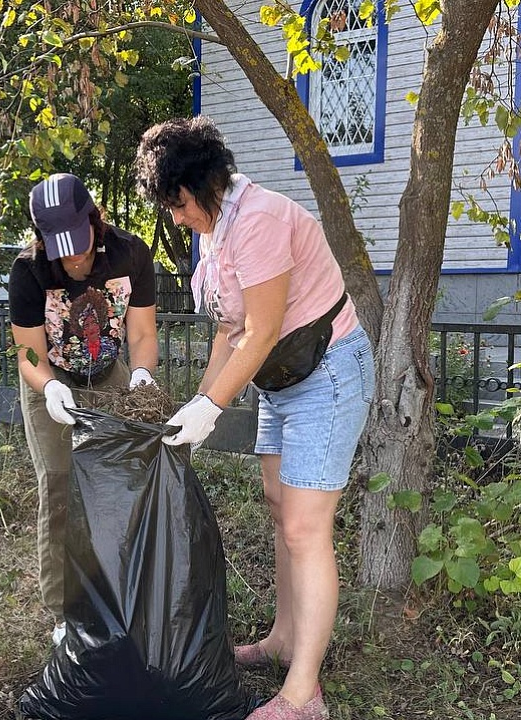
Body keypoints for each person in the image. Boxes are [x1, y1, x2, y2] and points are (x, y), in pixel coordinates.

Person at [134, 117, 374, 720]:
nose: (175, 217)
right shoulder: (218, 228)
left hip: (327, 372)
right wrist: (199, 401)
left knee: (305, 528)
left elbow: (263, 330)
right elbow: (229, 327)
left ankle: (304, 694)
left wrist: (215, 407)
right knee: (278, 506)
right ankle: (286, 638)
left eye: (177, 202)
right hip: (280, 379)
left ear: (204, 182)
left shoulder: (259, 220)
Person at [8, 172, 159, 645]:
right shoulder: (29, 271)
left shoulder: (130, 254)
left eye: (79, 240)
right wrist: (50, 388)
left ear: (95, 220)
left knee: (113, 481)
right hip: (49, 381)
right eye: (61, 246)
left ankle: (112, 587)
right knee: (58, 485)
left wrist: (142, 374)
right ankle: (61, 612)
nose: (73, 255)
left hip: (110, 375)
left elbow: (141, 333)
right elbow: (28, 352)